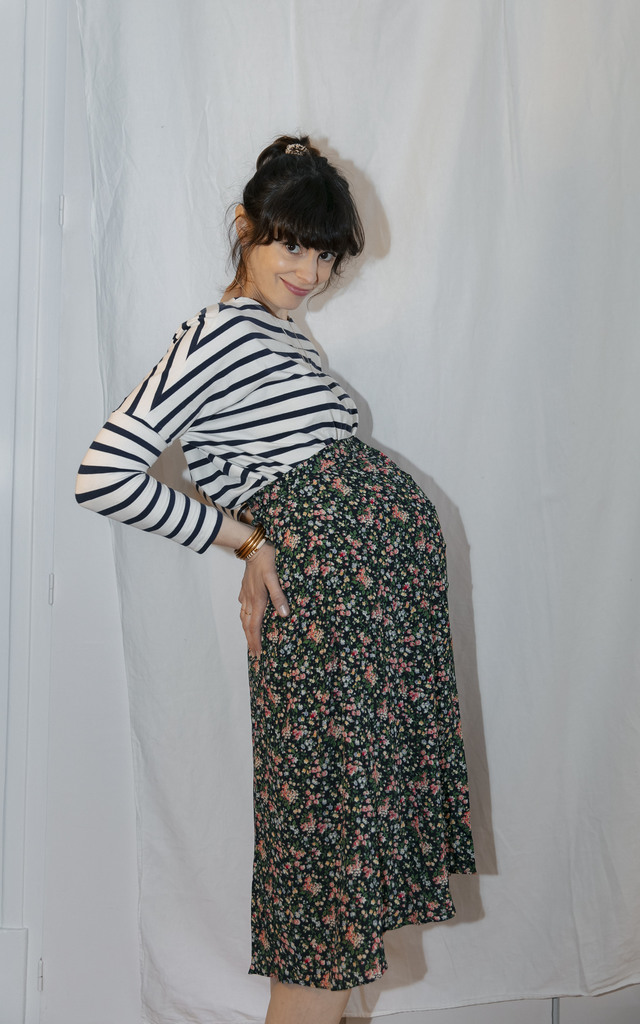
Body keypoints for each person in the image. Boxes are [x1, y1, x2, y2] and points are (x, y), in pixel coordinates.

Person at [76, 135, 476, 1024]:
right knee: (326, 869)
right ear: (244, 226)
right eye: (291, 244)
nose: (309, 271)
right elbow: (105, 474)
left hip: (365, 616)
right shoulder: (219, 332)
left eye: (325, 255)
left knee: (347, 863)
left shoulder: (278, 334)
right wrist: (246, 541)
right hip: (330, 613)